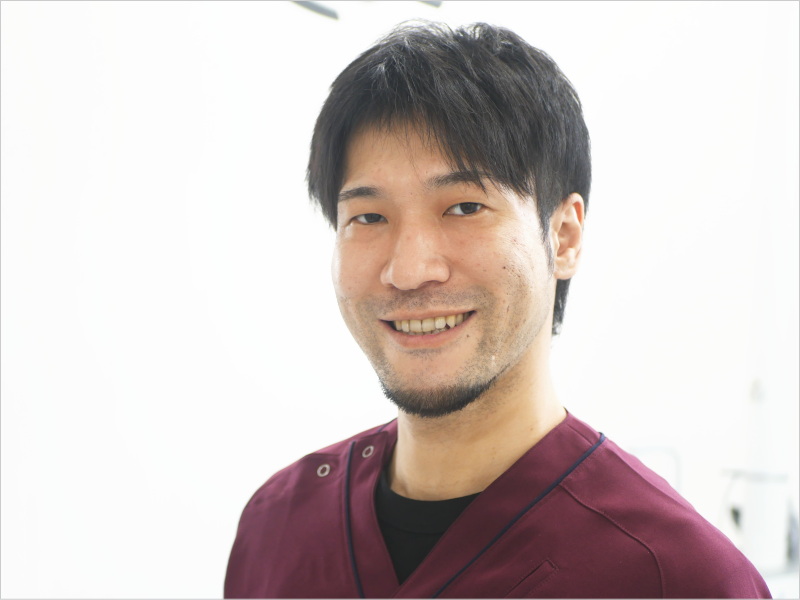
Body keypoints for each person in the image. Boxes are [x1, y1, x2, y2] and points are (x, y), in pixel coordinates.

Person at [224, 21, 770, 598]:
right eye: (369, 217)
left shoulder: (677, 577)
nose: (408, 270)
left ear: (563, 237)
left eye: (464, 207)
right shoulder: (277, 526)